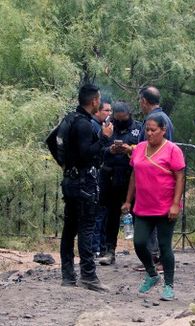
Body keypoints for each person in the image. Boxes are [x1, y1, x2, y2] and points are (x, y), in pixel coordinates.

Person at [121, 114, 185, 301]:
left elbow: (180, 177)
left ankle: (169, 285)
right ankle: (152, 273)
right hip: (143, 205)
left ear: (163, 130)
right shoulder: (140, 148)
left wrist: (175, 204)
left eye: (153, 130)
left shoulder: (173, 150)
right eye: (147, 130)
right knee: (139, 242)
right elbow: (134, 175)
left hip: (165, 207)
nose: (149, 133)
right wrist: (127, 200)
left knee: (165, 246)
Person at [60, 84, 113, 291]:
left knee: (70, 228)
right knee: (86, 228)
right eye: (99, 99)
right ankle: (88, 276)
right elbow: (86, 153)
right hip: (84, 183)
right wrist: (104, 138)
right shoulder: (83, 124)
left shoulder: (70, 119)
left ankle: (68, 275)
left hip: (71, 181)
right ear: (94, 101)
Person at [98, 101, 142, 266]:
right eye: (118, 119)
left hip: (132, 178)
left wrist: (130, 149)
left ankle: (145, 255)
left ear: (129, 115)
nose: (120, 121)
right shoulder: (107, 127)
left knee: (139, 215)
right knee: (111, 217)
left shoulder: (139, 128)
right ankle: (109, 251)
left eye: (123, 118)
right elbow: (97, 149)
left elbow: (146, 149)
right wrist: (110, 150)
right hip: (110, 178)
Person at [137, 86, 174, 269]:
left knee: (158, 223)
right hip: (149, 181)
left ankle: (158, 258)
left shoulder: (157, 120)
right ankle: (152, 257)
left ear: (144, 101)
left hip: (158, 182)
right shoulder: (161, 118)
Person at [90, 96, 112, 259]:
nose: (109, 113)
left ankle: (101, 246)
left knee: (104, 213)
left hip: (105, 176)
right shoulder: (93, 126)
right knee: (98, 213)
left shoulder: (104, 126)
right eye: (107, 110)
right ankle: (95, 247)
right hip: (95, 175)